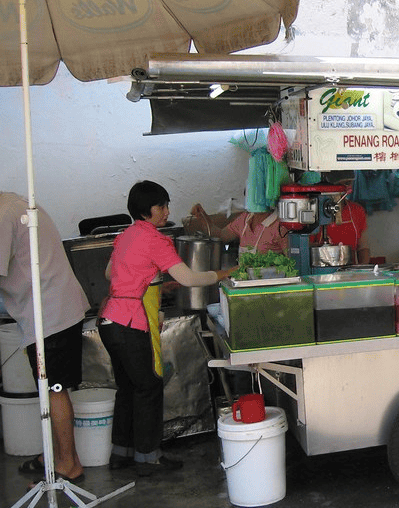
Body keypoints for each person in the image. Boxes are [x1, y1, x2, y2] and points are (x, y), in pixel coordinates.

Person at [100, 181, 236, 476]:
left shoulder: (125, 236)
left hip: (109, 320)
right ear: (148, 210)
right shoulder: (155, 239)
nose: (167, 211)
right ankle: (149, 458)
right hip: (131, 322)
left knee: (127, 388)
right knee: (148, 387)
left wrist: (154, 280)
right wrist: (224, 273)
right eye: (162, 206)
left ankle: (120, 453)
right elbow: (189, 278)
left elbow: (111, 273)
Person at [0, 192, 88, 484]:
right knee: (52, 386)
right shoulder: (16, 202)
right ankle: (56, 455)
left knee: (54, 387)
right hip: (57, 306)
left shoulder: (4, 214)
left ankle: (68, 464)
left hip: (48, 313)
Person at [189, 200, 289, 255]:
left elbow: (292, 262)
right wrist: (202, 216)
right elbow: (220, 235)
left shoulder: (280, 226)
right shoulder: (245, 218)